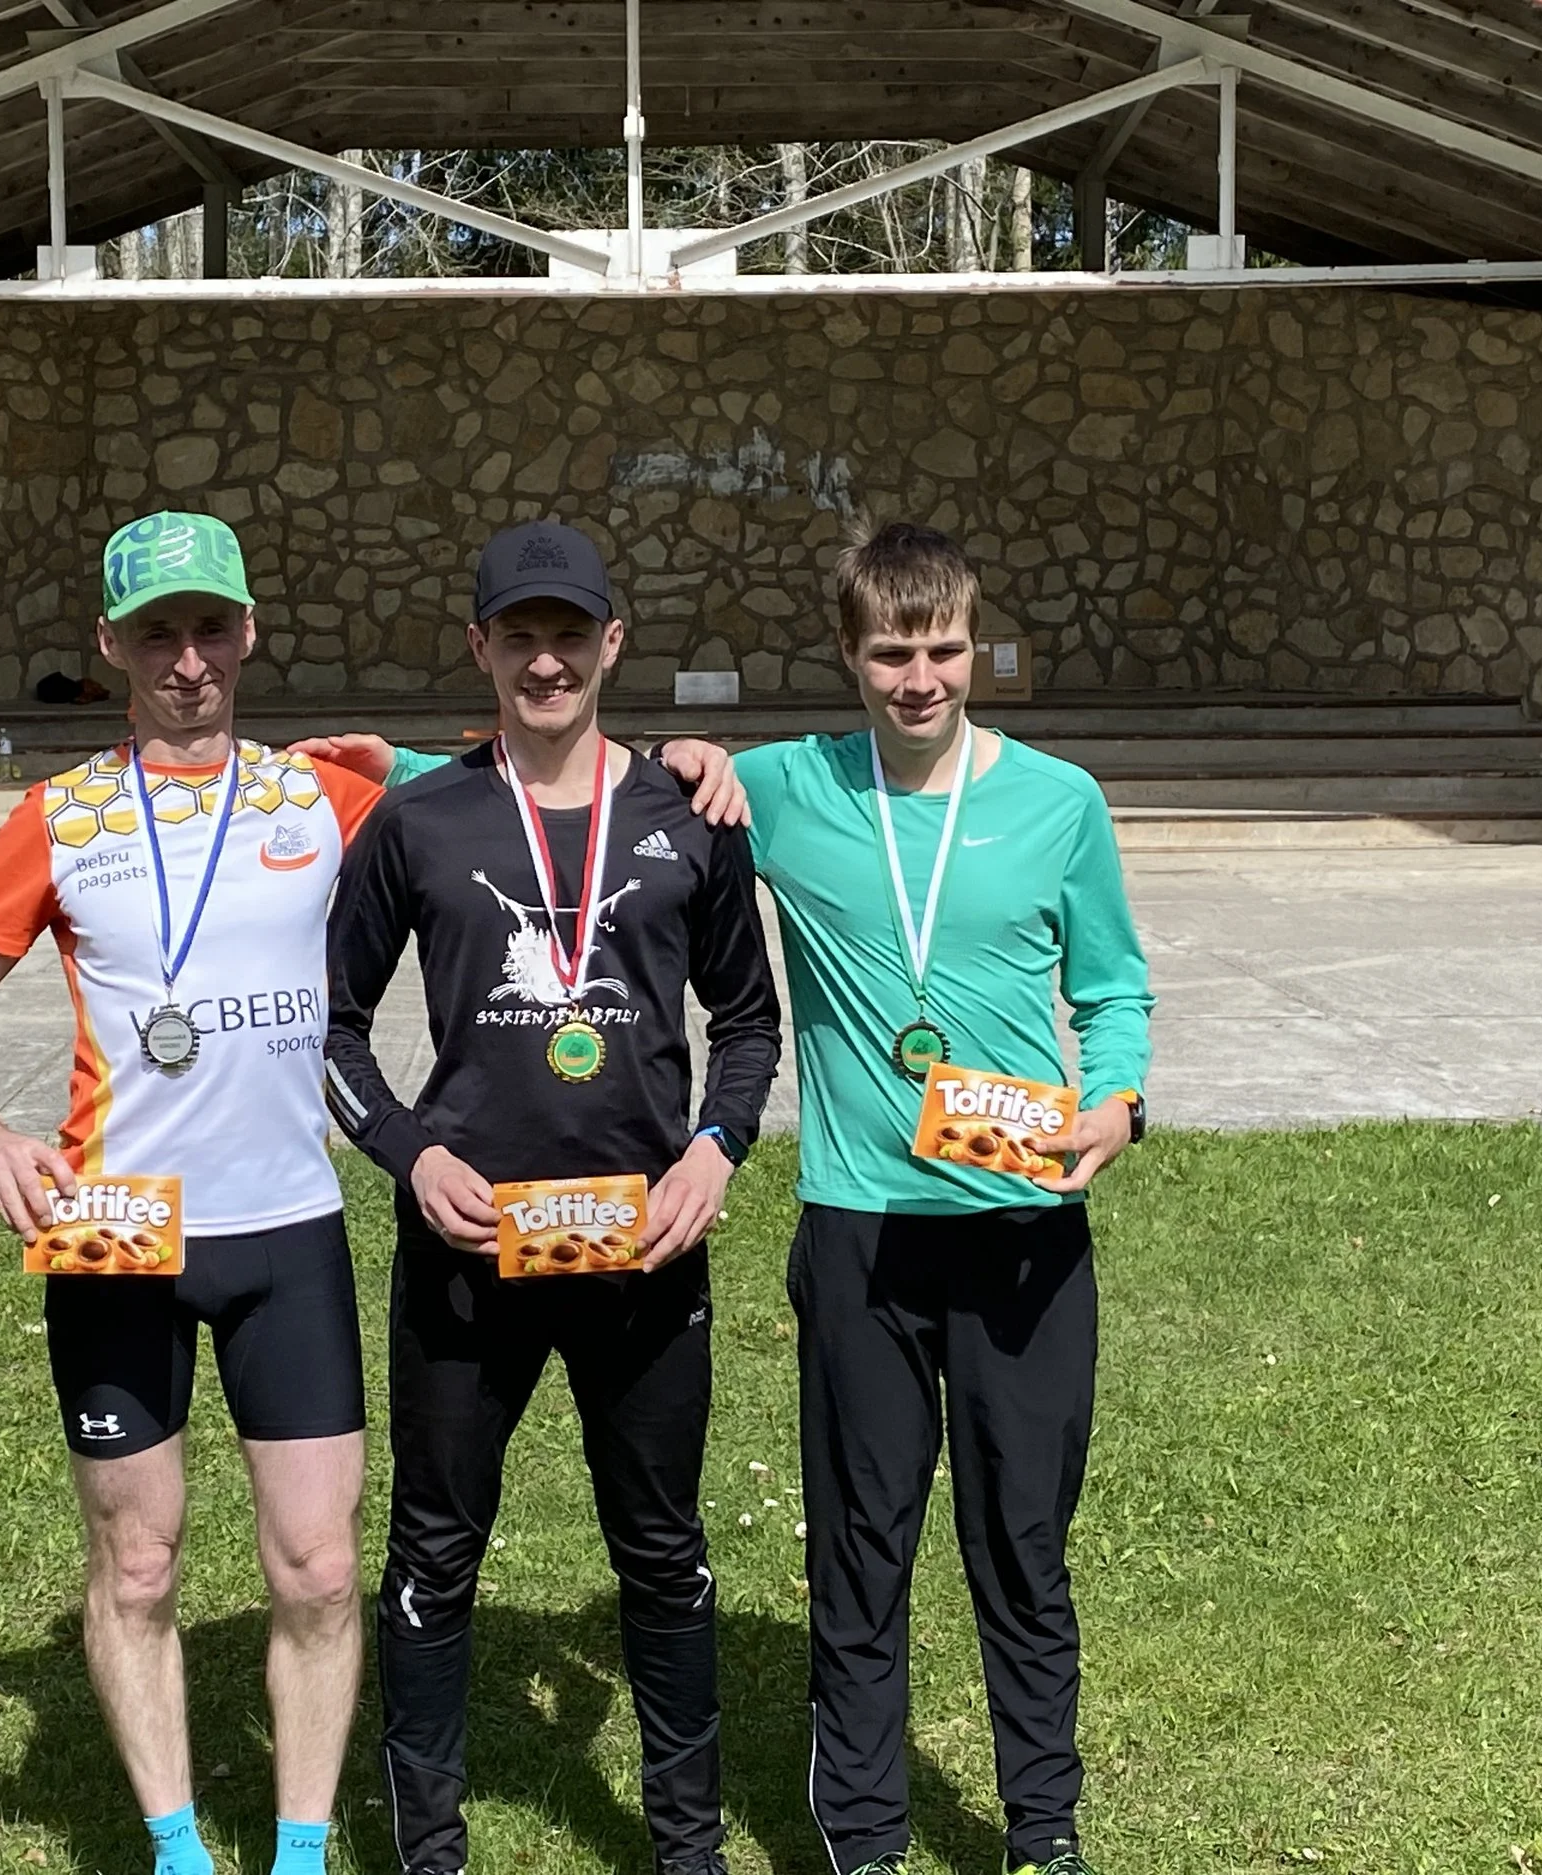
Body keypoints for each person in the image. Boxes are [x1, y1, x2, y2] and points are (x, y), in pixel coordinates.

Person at [332, 521, 1153, 1875]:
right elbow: (548, 799)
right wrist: (410, 773)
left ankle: (1033, 1830)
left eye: (944, 651)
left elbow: (1102, 989)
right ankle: (854, 1839)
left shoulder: (1049, 801)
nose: (920, 678)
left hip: (995, 1227)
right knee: (849, 1553)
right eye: (891, 654)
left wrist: (1114, 1097)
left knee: (1014, 1547)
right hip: (828, 1229)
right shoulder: (777, 785)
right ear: (849, 656)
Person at [0, 511, 383, 1875]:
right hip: (117, 1237)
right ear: (110, 643)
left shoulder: (321, 798)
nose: (188, 660)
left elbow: (518, 797)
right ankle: (176, 1848)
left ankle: (297, 1851)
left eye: (210, 627)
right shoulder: (58, 817)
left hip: (286, 1228)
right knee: (139, 1566)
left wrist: (690, 764)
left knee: (320, 1567)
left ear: (249, 631)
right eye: (157, 632)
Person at [320, 519, 784, 1875]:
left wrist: (715, 1148)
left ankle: (687, 1849)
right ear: (480, 647)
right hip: (471, 1250)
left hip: (645, 1249)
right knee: (435, 1551)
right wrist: (410, 1153)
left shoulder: (689, 816)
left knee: (662, 1548)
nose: (545, 661)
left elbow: (749, 1021)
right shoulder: (422, 821)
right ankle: (429, 1851)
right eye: (518, 635)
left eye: (569, 634)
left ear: (612, 643)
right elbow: (330, 1028)